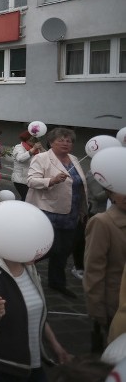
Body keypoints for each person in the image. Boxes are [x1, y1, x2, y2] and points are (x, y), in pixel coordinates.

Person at [0, 238, 71, 380]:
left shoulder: (29, 266)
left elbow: (36, 313)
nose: (38, 252)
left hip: (33, 365)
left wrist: (55, 345)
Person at [26, 127, 87, 299]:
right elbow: (31, 181)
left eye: (69, 140)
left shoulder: (74, 159)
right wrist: (51, 180)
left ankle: (57, 283)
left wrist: (82, 209)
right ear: (51, 142)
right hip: (47, 210)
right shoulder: (41, 158)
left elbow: (80, 186)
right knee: (48, 248)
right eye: (61, 140)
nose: (66, 143)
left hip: (71, 213)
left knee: (64, 250)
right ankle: (19, 268)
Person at [83, 189, 126, 350]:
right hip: (115, 305)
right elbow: (94, 270)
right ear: (110, 193)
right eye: (121, 189)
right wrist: (97, 309)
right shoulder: (102, 222)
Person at [12, 131, 43, 201]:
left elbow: (46, 157)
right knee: (26, 198)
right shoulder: (19, 147)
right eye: (32, 140)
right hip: (20, 179)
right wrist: (33, 149)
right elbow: (20, 158)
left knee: (30, 199)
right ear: (26, 140)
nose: (34, 142)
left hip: (32, 178)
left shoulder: (36, 150)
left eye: (35, 140)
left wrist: (41, 148)